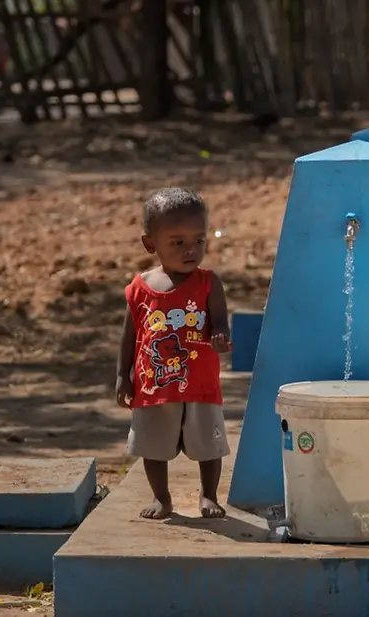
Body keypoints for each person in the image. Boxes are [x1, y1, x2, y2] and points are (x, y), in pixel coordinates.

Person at [116, 188, 234, 520]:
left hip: (200, 385)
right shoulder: (140, 288)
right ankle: (162, 498)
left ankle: (208, 496)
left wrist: (220, 337)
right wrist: (122, 377)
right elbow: (130, 336)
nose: (191, 250)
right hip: (154, 386)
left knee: (208, 446)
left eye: (199, 240)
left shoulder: (209, 283)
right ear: (150, 244)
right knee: (154, 447)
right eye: (178, 242)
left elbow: (220, 324)